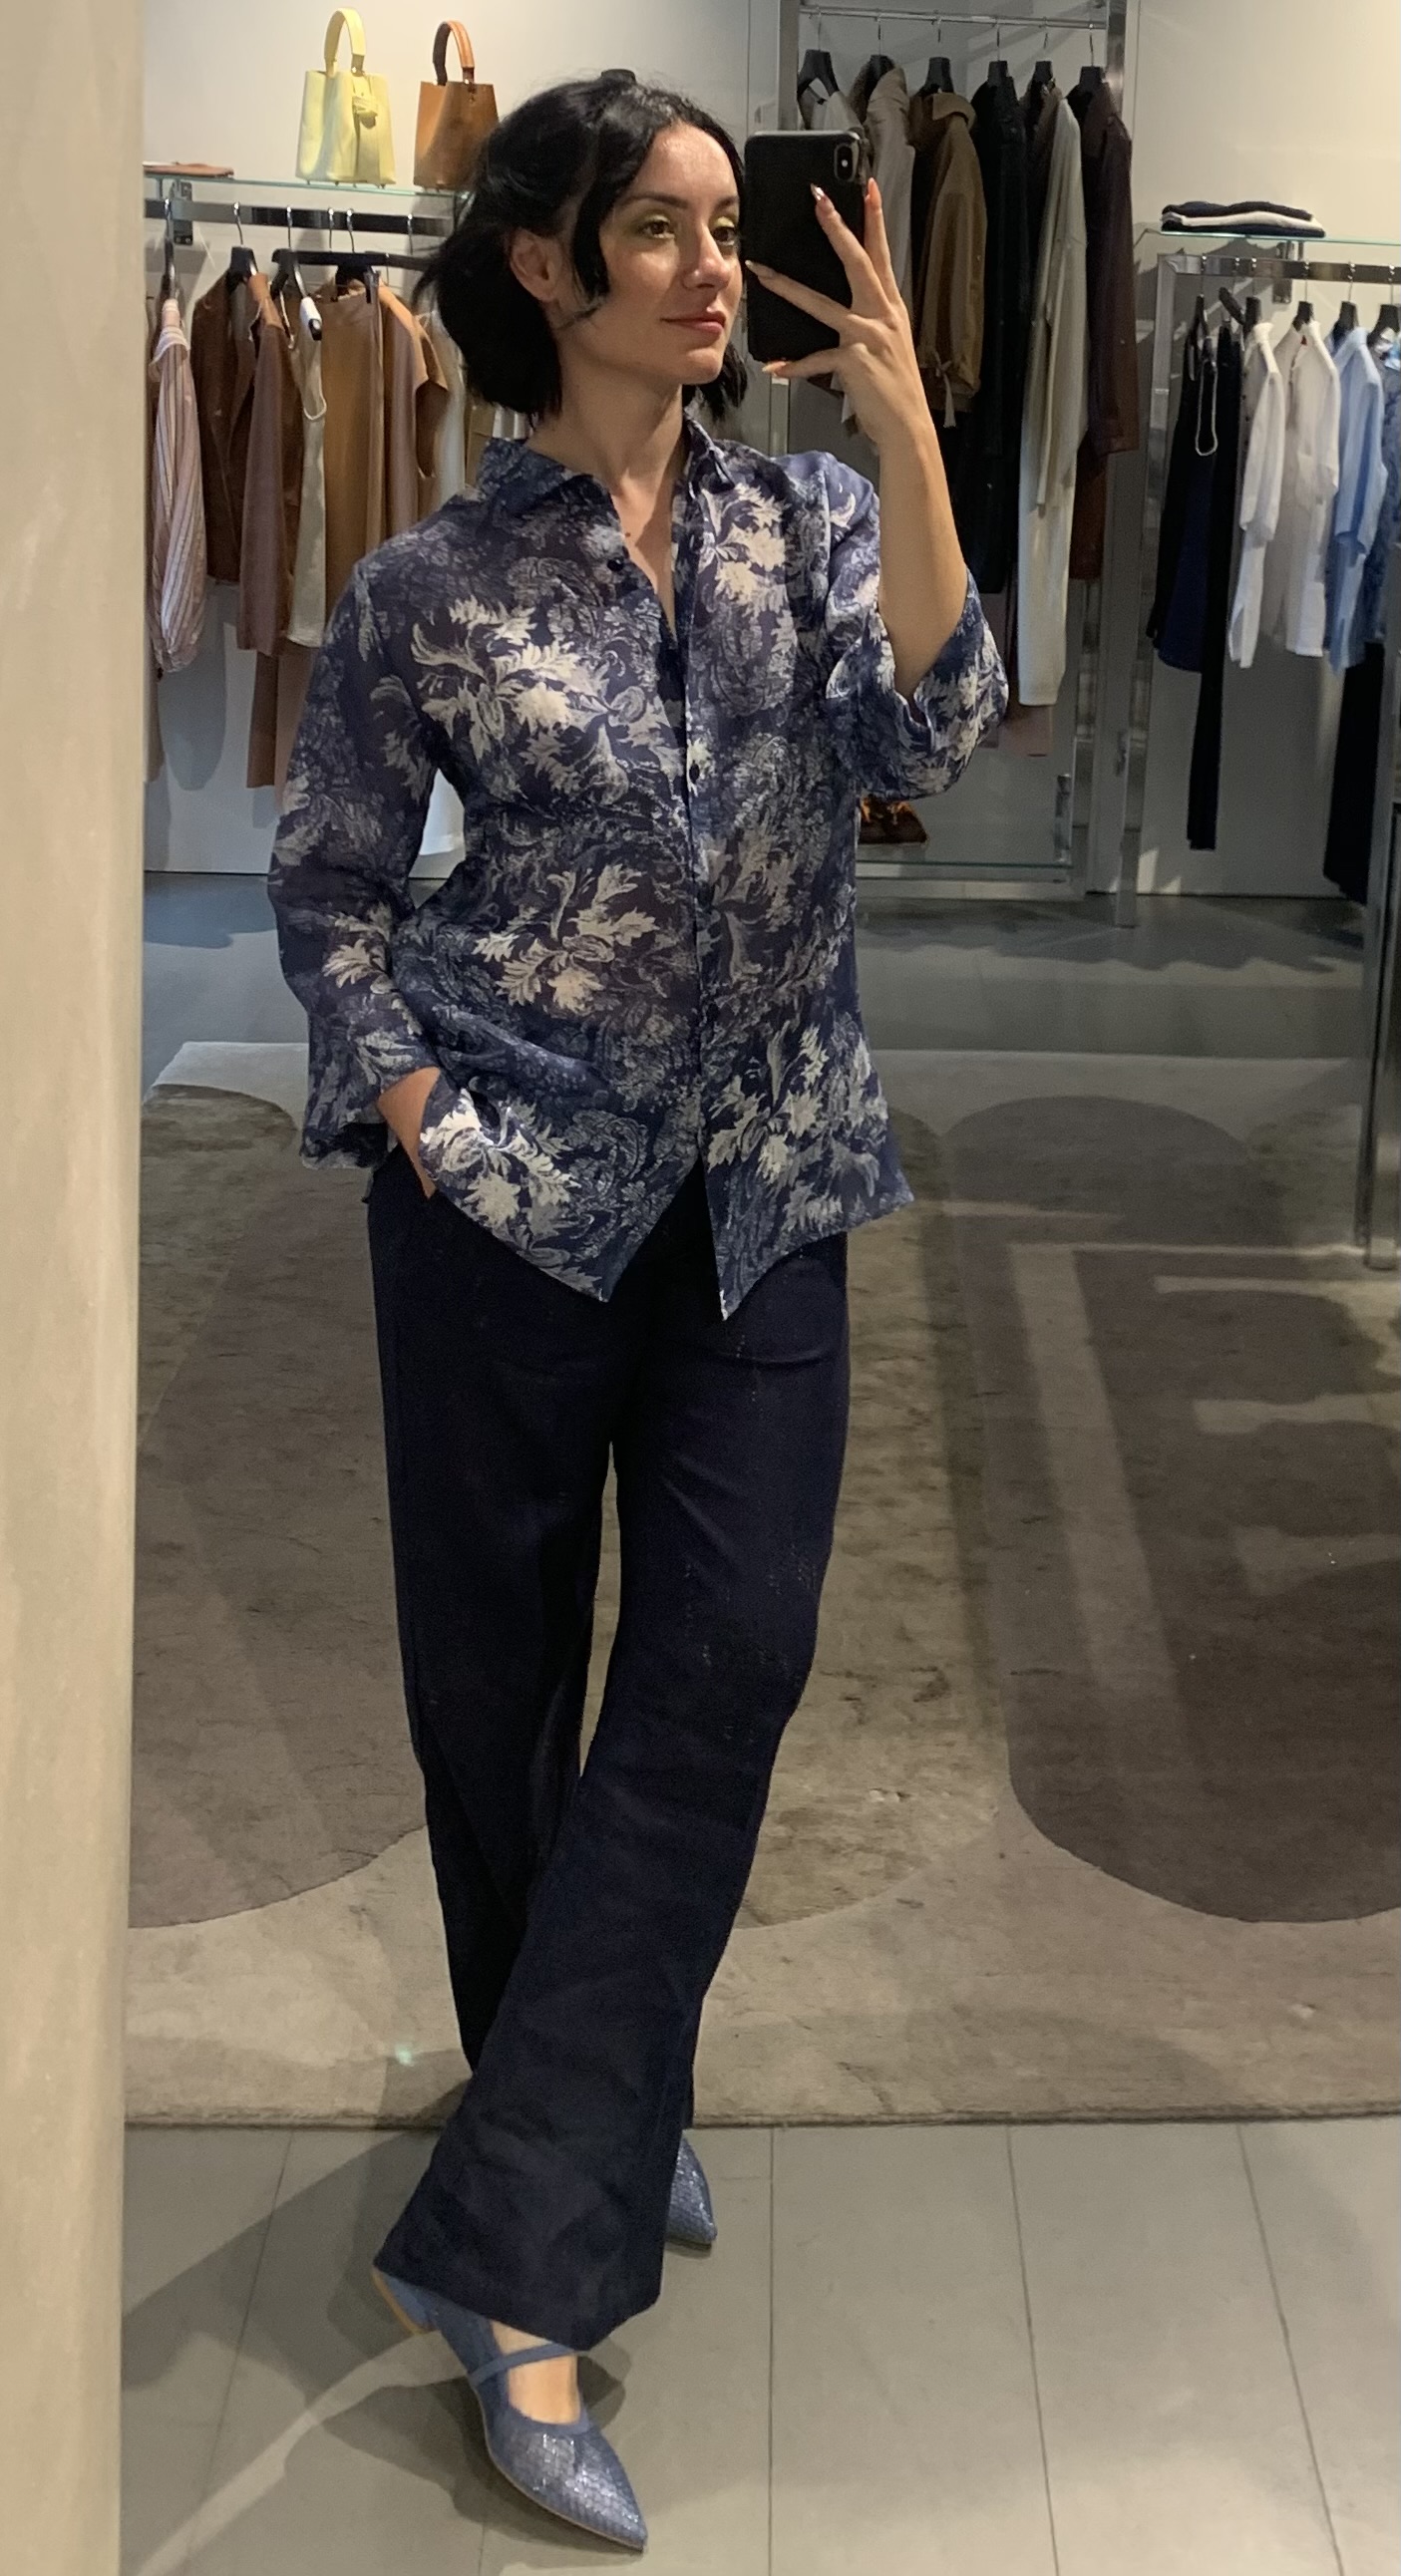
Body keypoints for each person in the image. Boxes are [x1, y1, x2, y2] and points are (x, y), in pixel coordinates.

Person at [268, 70, 1004, 2552]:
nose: (714, 268)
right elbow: (331, 886)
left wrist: (905, 434)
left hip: (766, 1186)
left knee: (727, 1658)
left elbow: (934, 732)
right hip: (504, 1199)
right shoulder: (429, 584)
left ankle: (516, 2226)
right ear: (547, 267)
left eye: (726, 226)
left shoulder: (809, 524)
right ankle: (575, 2141)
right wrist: (419, 1115)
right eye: (664, 230)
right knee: (496, 1702)